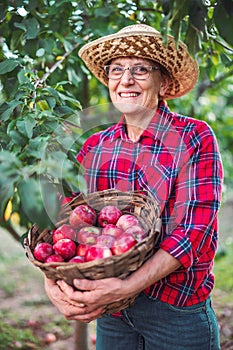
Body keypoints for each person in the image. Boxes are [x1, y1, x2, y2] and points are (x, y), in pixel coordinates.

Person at [44, 24, 223, 349]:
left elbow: (193, 230)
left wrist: (128, 287)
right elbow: (61, 221)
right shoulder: (95, 146)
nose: (126, 80)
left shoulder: (193, 138)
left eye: (140, 69)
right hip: (111, 312)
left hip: (174, 310)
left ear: (164, 81)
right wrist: (52, 281)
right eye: (116, 70)